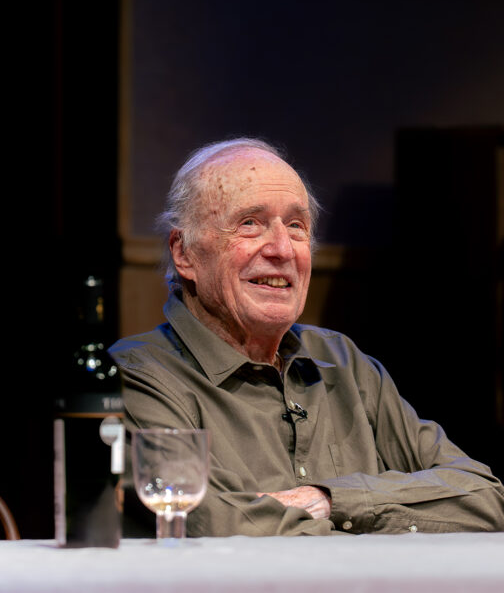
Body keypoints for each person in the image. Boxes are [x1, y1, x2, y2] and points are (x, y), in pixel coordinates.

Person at [110, 137, 504, 536]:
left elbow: (485, 497)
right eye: (250, 223)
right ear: (184, 253)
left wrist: (331, 500)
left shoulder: (343, 361)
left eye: (296, 226)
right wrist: (388, 516)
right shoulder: (138, 375)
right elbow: (212, 522)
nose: (282, 249)